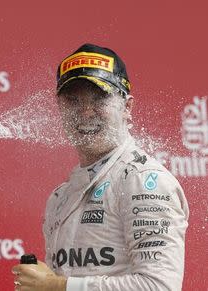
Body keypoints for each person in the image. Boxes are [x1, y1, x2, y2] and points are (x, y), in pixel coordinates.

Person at [12, 44, 189, 291]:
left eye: (100, 98)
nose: (85, 112)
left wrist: (58, 286)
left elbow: (160, 286)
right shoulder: (60, 197)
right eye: (73, 101)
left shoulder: (144, 180)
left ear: (127, 107)